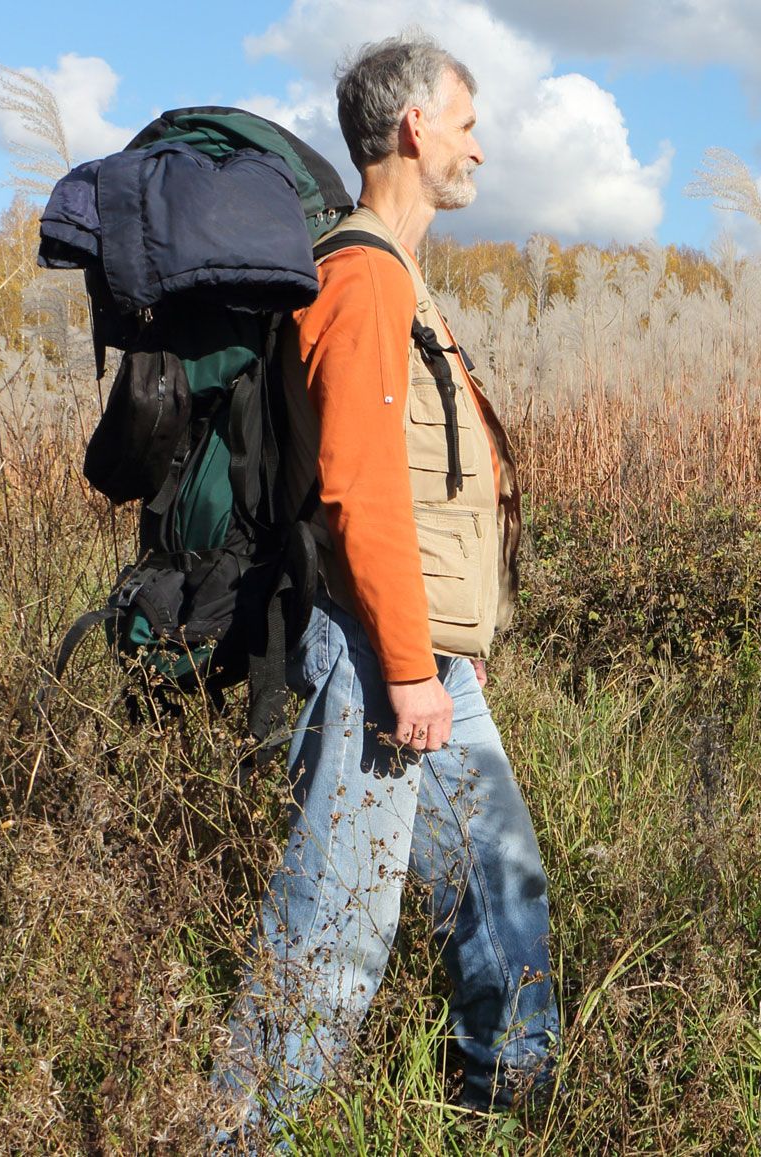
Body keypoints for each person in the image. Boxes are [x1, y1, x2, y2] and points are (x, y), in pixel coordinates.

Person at [213, 31, 556, 1142]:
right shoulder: (361, 280)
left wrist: (451, 639)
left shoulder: (398, 277)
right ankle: (236, 1133)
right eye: (465, 125)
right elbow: (361, 489)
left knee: (502, 891)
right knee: (334, 936)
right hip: (375, 661)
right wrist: (411, 663)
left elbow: (430, 485)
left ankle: (508, 1107)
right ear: (414, 129)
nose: (477, 150)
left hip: (426, 656)